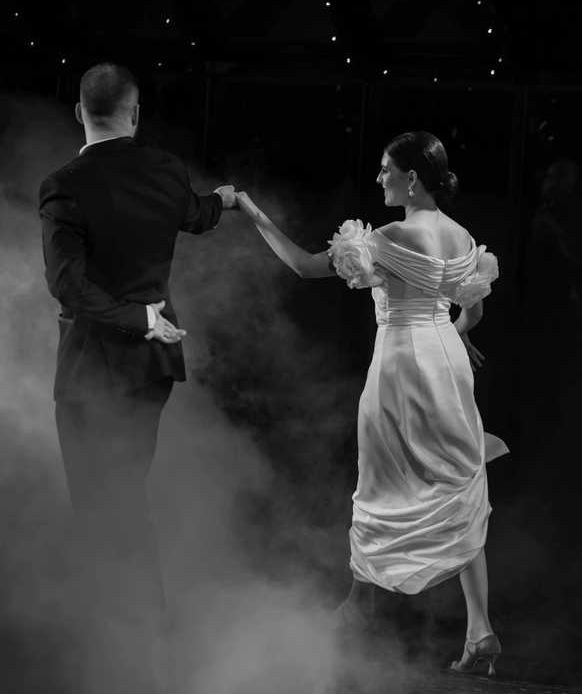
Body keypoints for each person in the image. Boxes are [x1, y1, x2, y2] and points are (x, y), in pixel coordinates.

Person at [234, 131, 508, 676]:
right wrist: (453, 335)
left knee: (379, 481)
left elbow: (304, 266)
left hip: (401, 364)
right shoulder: (461, 236)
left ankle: (361, 607)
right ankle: (480, 629)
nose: (379, 178)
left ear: (412, 177)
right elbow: (473, 308)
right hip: (446, 362)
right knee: (457, 480)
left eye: (386, 169)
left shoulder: (388, 236)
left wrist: (251, 211)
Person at [38, 62, 237, 694]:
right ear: (136, 112)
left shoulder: (64, 185)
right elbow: (197, 216)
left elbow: (67, 286)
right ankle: (142, 638)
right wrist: (225, 201)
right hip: (151, 369)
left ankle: (119, 643)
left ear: (80, 112)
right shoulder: (165, 169)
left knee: (101, 504)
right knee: (123, 497)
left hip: (94, 369)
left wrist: (138, 319)